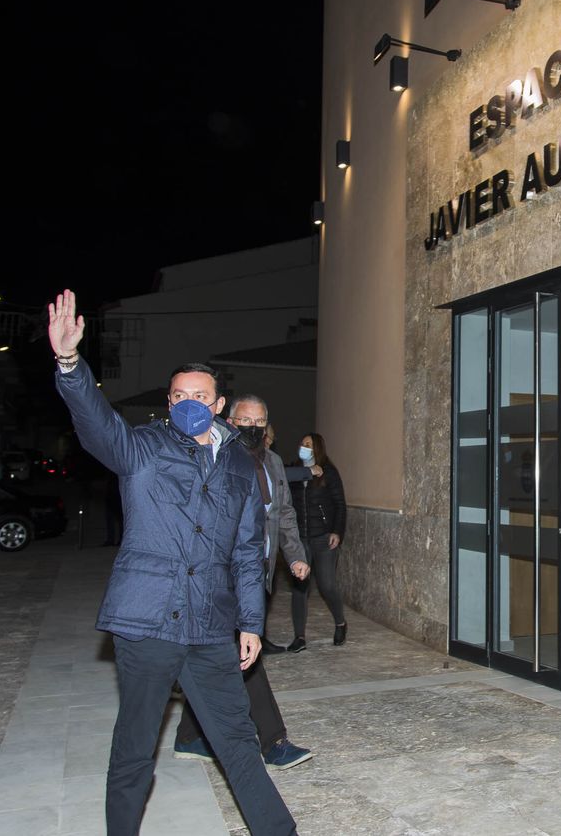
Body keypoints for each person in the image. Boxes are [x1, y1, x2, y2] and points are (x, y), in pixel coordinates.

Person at [47, 289, 296, 836]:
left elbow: (248, 553)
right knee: (136, 745)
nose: (187, 401)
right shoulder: (141, 448)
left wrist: (251, 621)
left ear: (217, 406)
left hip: (210, 625)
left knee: (236, 742)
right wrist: (69, 364)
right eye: (178, 392)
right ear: (169, 399)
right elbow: (94, 422)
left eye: (199, 394)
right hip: (148, 622)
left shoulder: (239, 466)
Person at [172, 396, 312, 769]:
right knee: (246, 652)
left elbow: (283, 511)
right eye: (245, 419)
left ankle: (189, 735)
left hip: (257, 572)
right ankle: (273, 740)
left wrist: (295, 555)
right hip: (221, 572)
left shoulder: (274, 462)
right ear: (228, 419)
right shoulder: (216, 457)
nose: (253, 426)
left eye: (260, 421)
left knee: (223, 653)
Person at [289, 432, 348, 648]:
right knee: (299, 588)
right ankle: (299, 637)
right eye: (302, 443)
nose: (304, 447)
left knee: (327, 585)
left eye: (309, 445)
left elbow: (340, 504)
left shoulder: (329, 472)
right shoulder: (294, 472)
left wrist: (337, 531)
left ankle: (340, 622)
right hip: (300, 538)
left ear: (318, 449)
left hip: (323, 538)